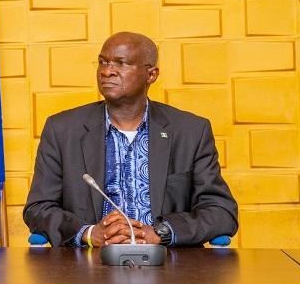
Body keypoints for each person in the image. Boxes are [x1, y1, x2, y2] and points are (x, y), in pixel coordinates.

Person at [23, 31, 237, 247]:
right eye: (102, 62)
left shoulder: (190, 131)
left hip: (168, 265)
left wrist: (160, 233)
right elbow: (38, 208)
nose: (107, 72)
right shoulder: (62, 130)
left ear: (151, 75)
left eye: (121, 63)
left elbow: (221, 211)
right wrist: (88, 234)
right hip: (90, 266)